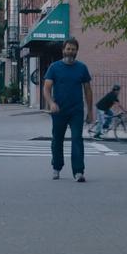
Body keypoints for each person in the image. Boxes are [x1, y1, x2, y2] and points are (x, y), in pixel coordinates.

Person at [43, 38, 94, 182]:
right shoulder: (54, 67)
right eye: (68, 49)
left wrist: (90, 111)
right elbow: (46, 89)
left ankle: (78, 172)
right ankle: (57, 167)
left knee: (77, 139)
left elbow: (88, 90)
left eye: (73, 49)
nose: (70, 52)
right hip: (59, 111)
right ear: (63, 50)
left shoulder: (82, 68)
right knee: (57, 139)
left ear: (77, 51)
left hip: (76, 110)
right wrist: (51, 103)